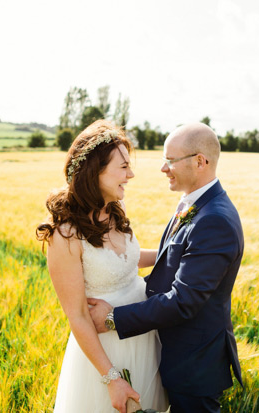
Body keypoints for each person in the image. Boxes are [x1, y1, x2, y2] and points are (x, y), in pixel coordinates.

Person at [89, 122, 244, 412]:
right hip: (176, 352)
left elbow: (183, 301)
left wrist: (112, 318)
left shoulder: (214, 220)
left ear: (200, 162)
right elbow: (173, 257)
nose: (163, 168)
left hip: (194, 362)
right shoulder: (194, 203)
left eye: (170, 160)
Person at [36, 120, 168, 413]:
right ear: (96, 171)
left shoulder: (113, 212)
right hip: (108, 352)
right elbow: (79, 316)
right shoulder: (65, 235)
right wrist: (112, 378)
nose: (131, 174)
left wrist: (175, 252)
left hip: (142, 336)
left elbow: (128, 260)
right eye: (123, 166)